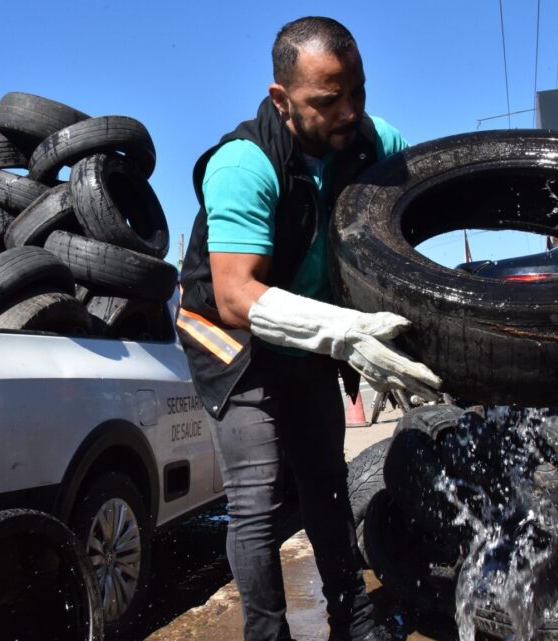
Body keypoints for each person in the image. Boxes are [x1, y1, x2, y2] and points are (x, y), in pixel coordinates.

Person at [177, 16, 440, 641]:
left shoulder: (381, 146)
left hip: (310, 330)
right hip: (232, 339)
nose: (350, 112)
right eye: (328, 100)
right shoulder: (243, 163)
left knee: (325, 481)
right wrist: (348, 333)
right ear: (281, 99)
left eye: (359, 92)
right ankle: (267, 635)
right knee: (258, 499)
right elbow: (238, 294)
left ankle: (351, 620)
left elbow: (403, 249)